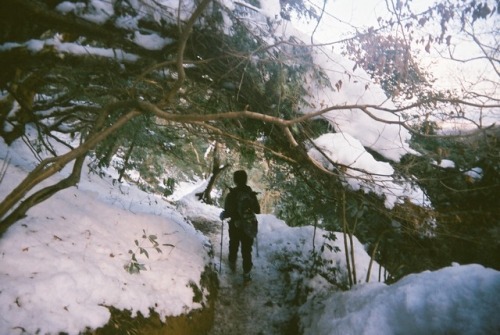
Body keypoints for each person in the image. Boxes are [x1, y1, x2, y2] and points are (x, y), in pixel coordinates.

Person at [220, 170, 260, 282]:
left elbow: (227, 212)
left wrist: (224, 215)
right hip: (248, 226)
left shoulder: (232, 194)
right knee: (247, 250)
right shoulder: (251, 194)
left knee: (233, 244)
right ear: (246, 179)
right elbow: (257, 210)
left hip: (235, 226)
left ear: (235, 180)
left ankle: (232, 263)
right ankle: (246, 273)